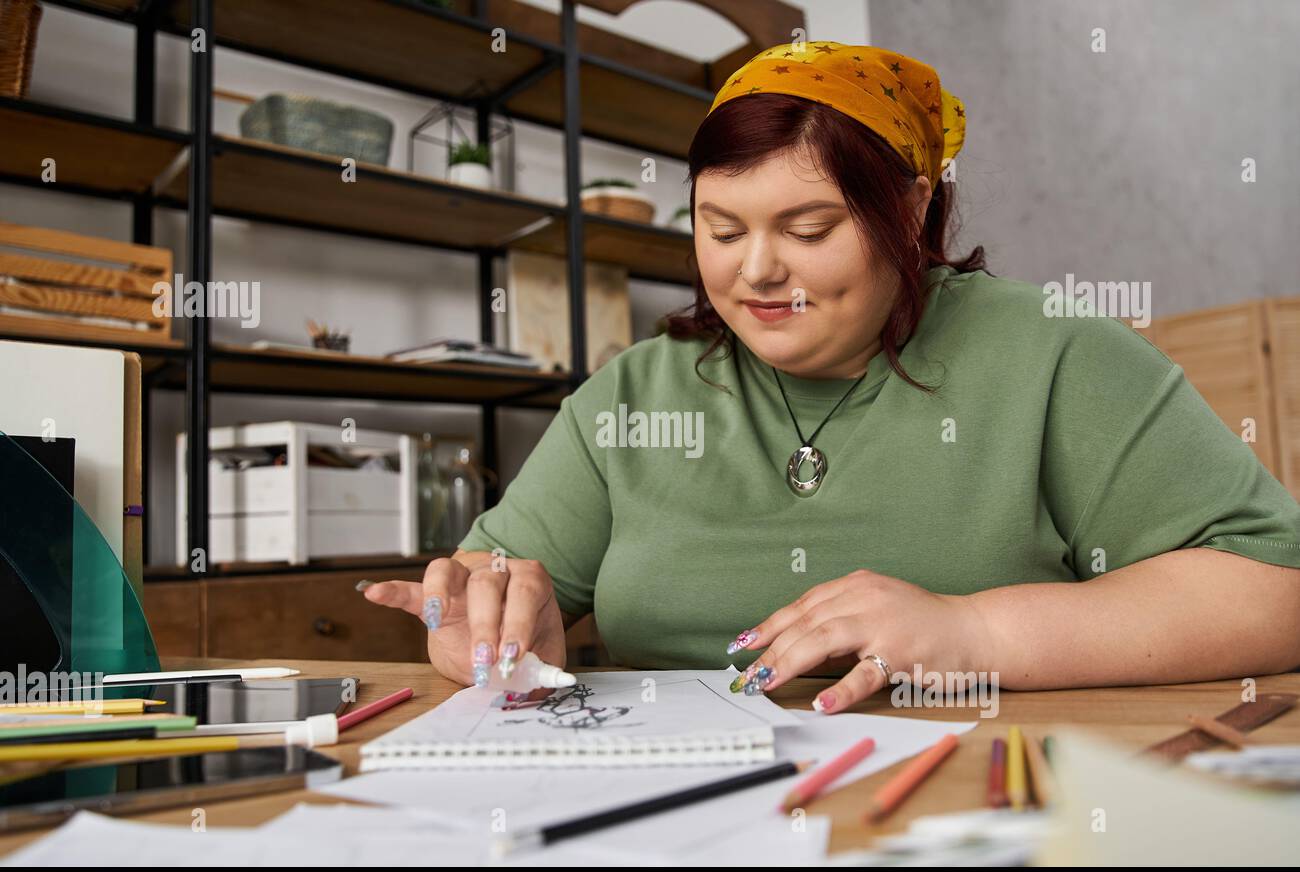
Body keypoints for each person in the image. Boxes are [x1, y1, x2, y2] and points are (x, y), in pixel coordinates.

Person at [364, 41, 1300, 712]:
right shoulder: (634, 397)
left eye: (807, 230)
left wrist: (976, 635)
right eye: (720, 230)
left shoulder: (1053, 353)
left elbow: (1275, 588)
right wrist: (488, 626)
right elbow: (490, 586)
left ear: (914, 207)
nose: (755, 270)